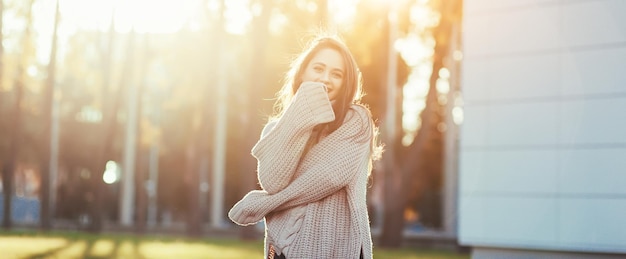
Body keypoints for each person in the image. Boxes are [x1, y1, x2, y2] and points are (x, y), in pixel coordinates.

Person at [228, 35, 382, 259]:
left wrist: (269, 203)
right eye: (318, 68)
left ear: (345, 83)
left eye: (336, 74)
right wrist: (300, 117)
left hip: (339, 249)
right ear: (302, 73)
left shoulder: (356, 122)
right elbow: (273, 181)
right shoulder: (274, 130)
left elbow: (328, 176)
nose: (326, 79)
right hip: (284, 248)